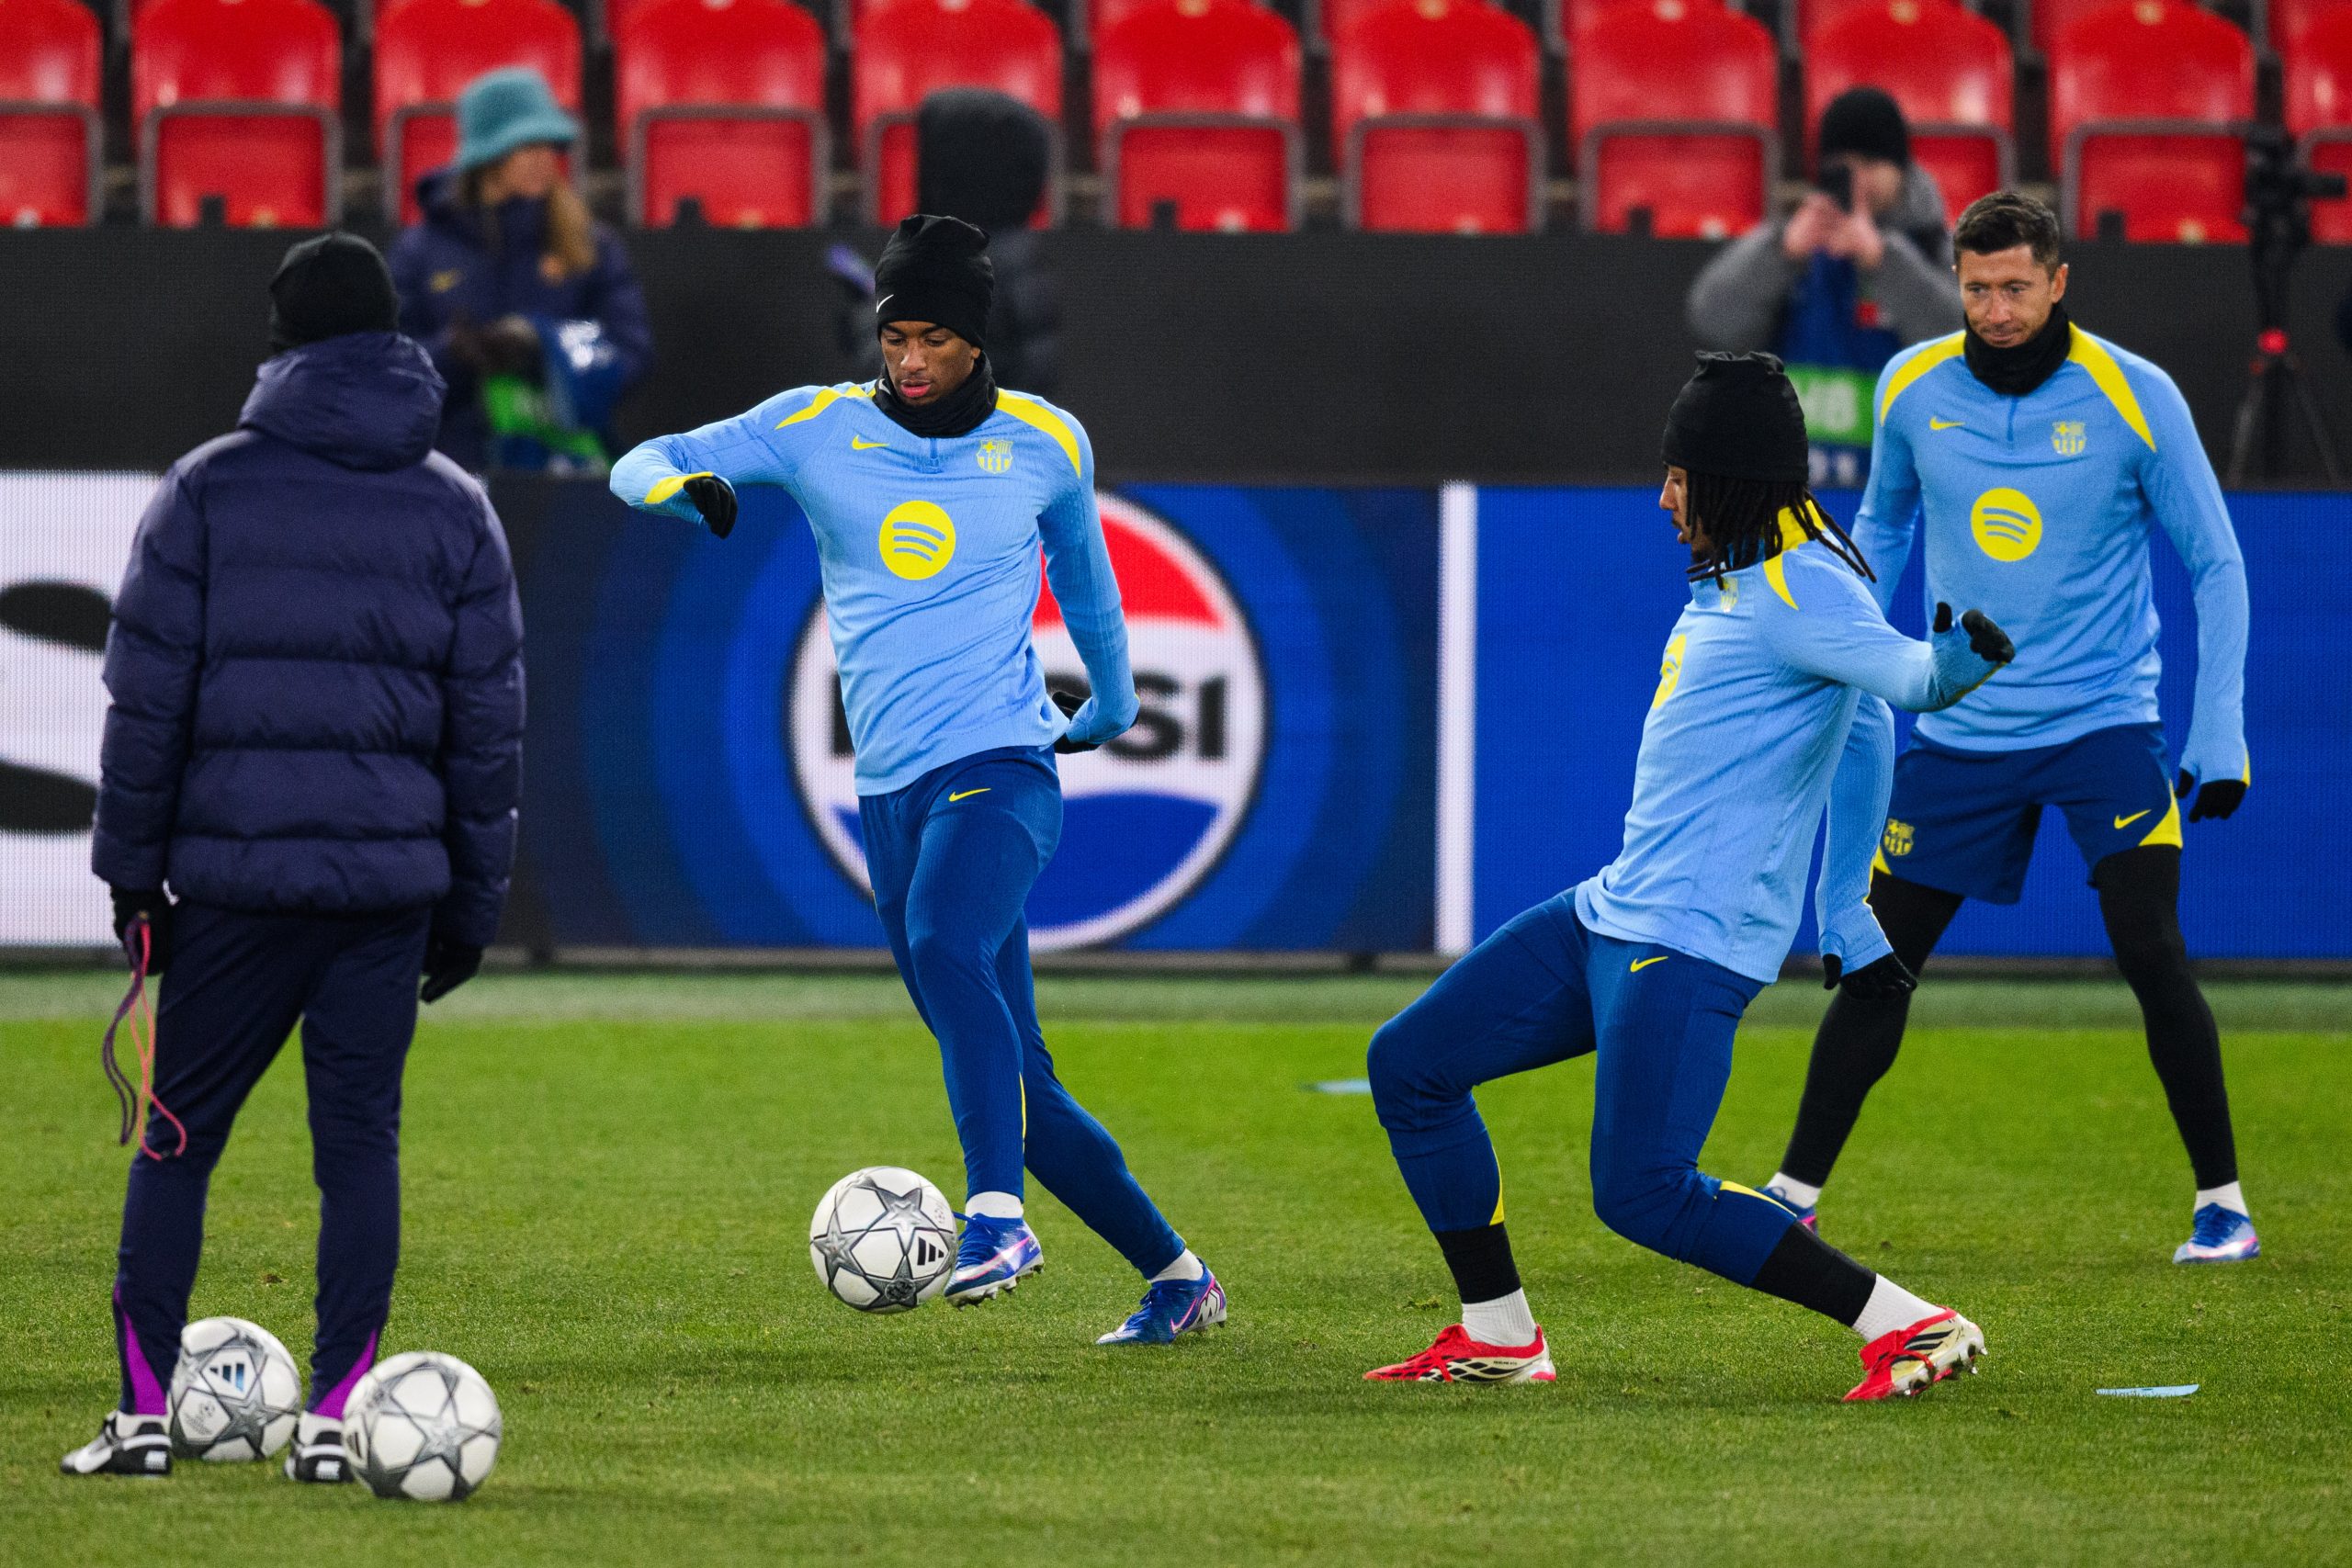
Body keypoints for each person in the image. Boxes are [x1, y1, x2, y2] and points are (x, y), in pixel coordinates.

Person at [608, 214, 1222, 1347]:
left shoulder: (1046, 442)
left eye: (933, 338)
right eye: (896, 338)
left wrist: (1113, 706)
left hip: (1003, 766)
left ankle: (998, 1219)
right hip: (888, 796)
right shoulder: (813, 428)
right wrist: (683, 493)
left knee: (944, 943)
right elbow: (637, 460)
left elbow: (1087, 584)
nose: (910, 360)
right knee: (1016, 1084)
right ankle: (1179, 1277)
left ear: (977, 340)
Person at [1363, 353, 2016, 1400]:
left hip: (1690, 941)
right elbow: (1864, 733)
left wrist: (1948, 672)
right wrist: (1843, 901)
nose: (1664, 499)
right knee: (1410, 1065)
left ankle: (1911, 1323)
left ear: (1730, 479)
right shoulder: (1757, 569)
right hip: (1613, 912)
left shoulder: (1803, 583)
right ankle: (1500, 1336)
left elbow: (1905, 684)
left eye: (1678, 476)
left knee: (1644, 1192)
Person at [62, 233, 524, 1481]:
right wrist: (471, 908)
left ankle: (143, 1418)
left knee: (176, 1140)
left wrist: (131, 876)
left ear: (282, 345)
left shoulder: (206, 489)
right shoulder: (456, 505)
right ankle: (336, 1422)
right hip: (385, 894)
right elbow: (486, 731)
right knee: (358, 1151)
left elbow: (146, 702)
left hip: (235, 887)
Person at [1755, 192, 2258, 1267]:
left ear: (2058, 281)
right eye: (1977, 287)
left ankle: (2223, 1205)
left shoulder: (2136, 395)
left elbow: (2215, 562)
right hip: (1958, 727)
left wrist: (2218, 729)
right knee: (1876, 958)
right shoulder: (1909, 385)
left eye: (2015, 287)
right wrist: (1857, 667)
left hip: (2103, 724)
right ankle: (1791, 1196)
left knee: (2151, 949)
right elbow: (1882, 525)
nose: (1994, 308)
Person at [1687, 87, 1963, 488]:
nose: (1858, 179)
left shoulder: (1934, 246)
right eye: (1843, 166)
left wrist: (1883, 260)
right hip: (1797, 488)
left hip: (1903, 489)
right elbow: (1712, 321)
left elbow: (1963, 344)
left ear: (1901, 169)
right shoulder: (1792, 242)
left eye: (1871, 163)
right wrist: (1783, 253)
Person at [389, 66, 652, 474]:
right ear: (486, 155)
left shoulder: (590, 242)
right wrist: (453, 354)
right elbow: (387, 369)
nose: (546, 158)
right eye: (527, 145)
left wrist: (542, 344)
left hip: (565, 469)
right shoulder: (419, 250)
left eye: (551, 145)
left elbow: (631, 351)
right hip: (451, 468)